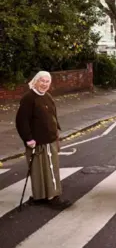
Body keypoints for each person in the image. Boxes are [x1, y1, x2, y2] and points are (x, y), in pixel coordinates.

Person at [15, 71, 72, 209]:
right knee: (38, 170)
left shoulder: (47, 96)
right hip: (37, 142)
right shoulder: (29, 98)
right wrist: (28, 139)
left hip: (50, 140)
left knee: (51, 169)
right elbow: (21, 121)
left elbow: (53, 116)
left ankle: (50, 195)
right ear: (35, 81)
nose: (45, 84)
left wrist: (56, 132)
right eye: (42, 81)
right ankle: (45, 197)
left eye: (47, 82)